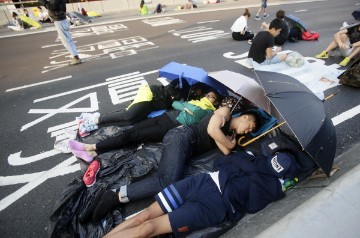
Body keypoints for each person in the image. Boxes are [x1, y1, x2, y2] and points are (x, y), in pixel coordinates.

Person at [79, 106, 260, 224]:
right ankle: (113, 196)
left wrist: (230, 142)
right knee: (166, 181)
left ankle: (112, 196)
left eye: (252, 130)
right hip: (182, 137)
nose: (249, 129)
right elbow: (212, 130)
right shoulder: (225, 112)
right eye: (250, 124)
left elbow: (225, 150)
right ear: (244, 116)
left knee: (165, 179)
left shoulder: (228, 132)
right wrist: (230, 143)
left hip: (184, 145)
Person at [101, 151, 300, 238]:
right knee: (144, 216)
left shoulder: (271, 187)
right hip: (201, 182)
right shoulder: (250, 157)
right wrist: (252, 167)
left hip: (214, 206)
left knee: (148, 229)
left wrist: (252, 170)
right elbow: (220, 162)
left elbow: (253, 206)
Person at [69, 91, 220, 163]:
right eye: (208, 94)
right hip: (165, 117)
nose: (208, 96)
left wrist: (185, 106)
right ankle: (95, 151)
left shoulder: (209, 111)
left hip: (171, 126)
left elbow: (195, 112)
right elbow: (175, 104)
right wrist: (186, 106)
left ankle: (92, 147)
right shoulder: (196, 102)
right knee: (131, 130)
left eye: (212, 96)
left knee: (133, 136)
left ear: (215, 102)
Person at [76, 80, 190, 137]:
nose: (175, 97)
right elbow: (165, 93)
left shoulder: (177, 99)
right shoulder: (170, 88)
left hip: (151, 106)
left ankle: (98, 125)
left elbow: (172, 105)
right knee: (128, 115)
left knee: (131, 121)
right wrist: (173, 97)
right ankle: (96, 119)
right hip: (149, 95)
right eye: (175, 94)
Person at [38, 1, 81, 66]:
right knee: (69, 40)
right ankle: (76, 56)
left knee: (66, 41)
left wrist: (43, 1)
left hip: (59, 20)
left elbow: (50, 6)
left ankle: (75, 57)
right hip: (63, 19)